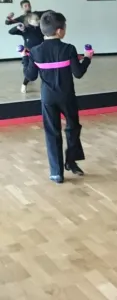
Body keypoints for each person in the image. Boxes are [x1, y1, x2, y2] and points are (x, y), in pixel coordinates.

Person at [21, 11, 92, 184]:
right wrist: (87, 58)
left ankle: (56, 173)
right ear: (59, 31)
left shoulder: (36, 51)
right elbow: (78, 73)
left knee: (52, 133)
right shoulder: (69, 49)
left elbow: (30, 76)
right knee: (73, 128)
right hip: (67, 97)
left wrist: (25, 59)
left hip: (48, 98)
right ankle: (71, 161)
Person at [9, 12, 44, 93]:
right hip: (29, 54)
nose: (38, 21)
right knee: (31, 72)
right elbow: (10, 32)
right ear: (29, 21)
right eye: (35, 19)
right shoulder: (25, 29)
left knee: (44, 71)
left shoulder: (41, 28)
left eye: (38, 19)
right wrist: (17, 27)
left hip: (41, 53)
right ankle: (24, 84)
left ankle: (46, 86)